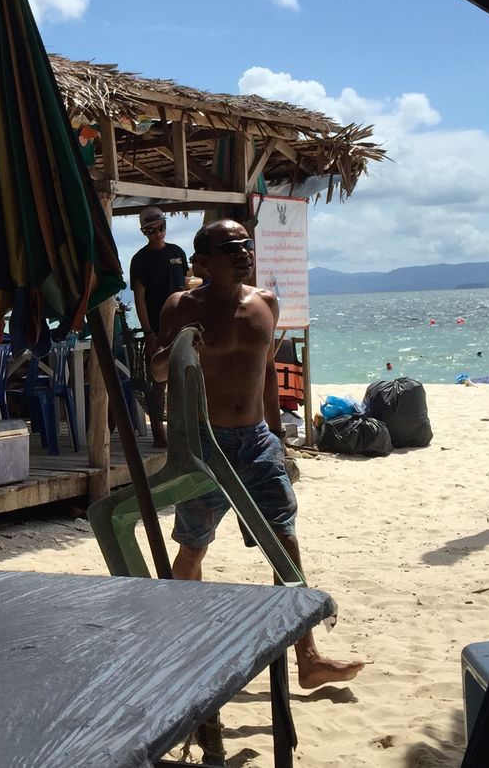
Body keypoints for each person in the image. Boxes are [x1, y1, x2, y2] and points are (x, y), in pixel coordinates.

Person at [152, 219, 364, 689]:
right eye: (231, 247)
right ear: (204, 262)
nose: (244, 253)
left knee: (284, 539)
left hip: (257, 441)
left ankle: (308, 657)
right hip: (205, 445)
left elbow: (267, 371)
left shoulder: (266, 302)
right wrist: (183, 340)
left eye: (246, 244)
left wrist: (278, 436)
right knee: (193, 544)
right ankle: (179, 647)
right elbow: (159, 370)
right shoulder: (181, 306)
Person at [129, 205, 188, 448]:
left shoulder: (177, 252)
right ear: (144, 232)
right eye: (151, 230)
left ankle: (181, 432)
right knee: (157, 382)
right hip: (157, 328)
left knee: (185, 380)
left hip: (182, 326)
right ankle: (158, 434)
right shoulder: (140, 260)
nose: (157, 233)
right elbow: (139, 299)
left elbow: (186, 287)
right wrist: (148, 332)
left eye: (160, 227)